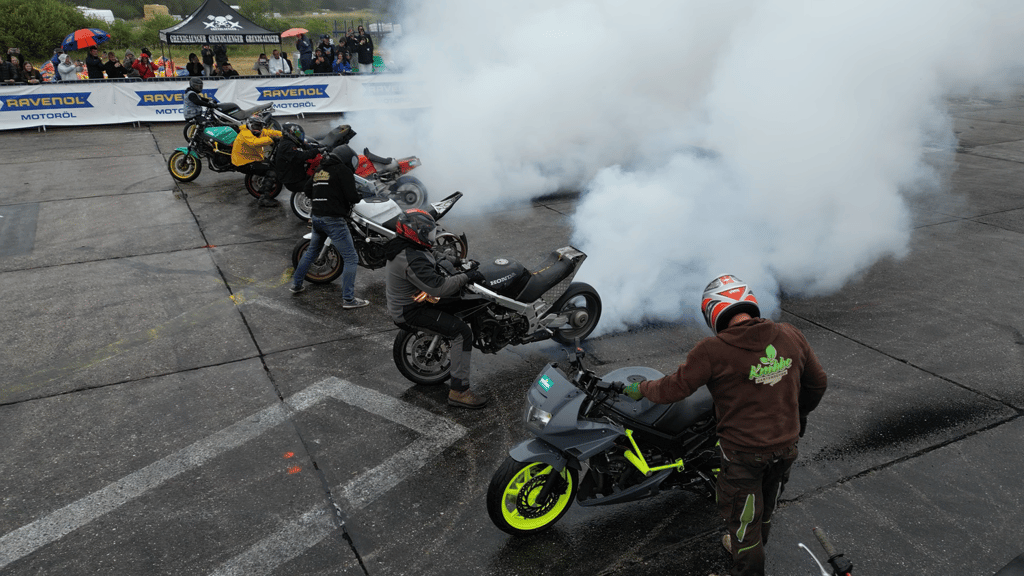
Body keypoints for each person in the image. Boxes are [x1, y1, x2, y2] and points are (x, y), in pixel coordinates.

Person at [622, 274, 828, 576]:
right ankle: (759, 543)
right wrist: (799, 417)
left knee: (743, 525)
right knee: (766, 505)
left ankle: (749, 561)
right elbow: (817, 384)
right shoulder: (790, 334)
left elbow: (672, 390)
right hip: (785, 446)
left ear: (713, 313)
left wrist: (639, 389)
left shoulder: (712, 350)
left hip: (744, 454)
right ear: (751, 302)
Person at [384, 210, 488, 408]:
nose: (431, 235)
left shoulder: (407, 246)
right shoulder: (410, 258)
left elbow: (434, 256)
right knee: (461, 332)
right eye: (427, 231)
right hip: (410, 310)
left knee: (466, 303)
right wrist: (468, 276)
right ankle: (459, 391)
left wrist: (460, 262)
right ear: (415, 232)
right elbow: (439, 286)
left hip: (415, 301)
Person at [289, 144, 371, 310]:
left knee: (311, 252)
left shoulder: (320, 170)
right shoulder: (343, 170)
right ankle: (349, 299)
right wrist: (359, 195)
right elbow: (352, 196)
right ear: (347, 158)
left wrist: (323, 196)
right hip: (333, 220)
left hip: (317, 217)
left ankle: (296, 285)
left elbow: (307, 190)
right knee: (351, 258)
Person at [231, 114, 282, 207]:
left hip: (252, 159)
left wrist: (283, 134)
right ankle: (264, 198)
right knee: (271, 171)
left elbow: (268, 132)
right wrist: (271, 139)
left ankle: (265, 188)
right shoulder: (245, 133)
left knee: (271, 165)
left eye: (260, 126)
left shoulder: (256, 131)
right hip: (243, 163)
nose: (258, 128)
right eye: (256, 126)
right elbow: (254, 143)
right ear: (250, 124)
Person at [274, 122, 322, 193]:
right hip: (292, 181)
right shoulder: (287, 145)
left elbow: (305, 146)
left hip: (296, 174)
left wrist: (320, 146)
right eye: (296, 132)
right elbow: (301, 155)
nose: (298, 134)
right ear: (290, 132)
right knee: (320, 186)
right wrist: (317, 150)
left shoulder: (289, 141)